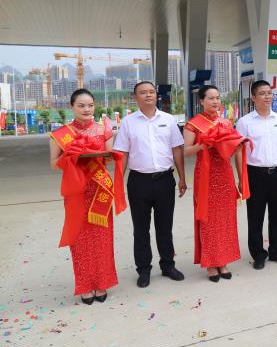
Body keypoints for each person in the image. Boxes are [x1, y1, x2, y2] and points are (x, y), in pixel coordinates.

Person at [49, 89, 124, 304]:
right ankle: (85, 286)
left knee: (102, 240)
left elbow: (109, 157)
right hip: (77, 192)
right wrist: (71, 157)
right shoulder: (61, 134)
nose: (86, 109)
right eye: (81, 105)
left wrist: (102, 157)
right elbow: (53, 164)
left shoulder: (103, 130)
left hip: (100, 190)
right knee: (80, 240)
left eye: (90, 105)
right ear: (72, 107)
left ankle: (102, 283)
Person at [114, 81, 187, 288]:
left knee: (165, 226)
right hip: (139, 181)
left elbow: (177, 149)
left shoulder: (169, 120)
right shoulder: (128, 123)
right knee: (141, 229)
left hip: (165, 180)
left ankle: (168, 265)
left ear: (156, 95)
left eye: (151, 92)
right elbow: (122, 154)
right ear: (135, 97)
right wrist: (117, 182)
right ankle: (144, 269)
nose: (148, 95)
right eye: (143, 92)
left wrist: (182, 178)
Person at [183, 85, 244, 281]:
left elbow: (234, 149)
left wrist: (236, 147)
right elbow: (186, 150)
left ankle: (223, 261)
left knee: (225, 219)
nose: (215, 101)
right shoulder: (193, 124)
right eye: (210, 98)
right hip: (205, 176)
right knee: (208, 220)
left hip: (225, 174)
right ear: (201, 101)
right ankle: (210, 264)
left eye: (218, 98)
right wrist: (203, 145)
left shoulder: (226, 122)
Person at [236, 80, 277, 270]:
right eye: (262, 93)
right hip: (255, 175)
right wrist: (242, 178)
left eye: (269, 93)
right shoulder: (244, 122)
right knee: (255, 217)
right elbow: (239, 152)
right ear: (253, 97)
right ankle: (258, 254)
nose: (267, 96)